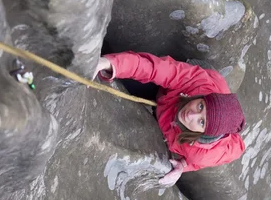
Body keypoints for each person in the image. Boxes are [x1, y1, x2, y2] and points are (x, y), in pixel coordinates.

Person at [95, 52, 246, 186]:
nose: (191, 114)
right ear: (201, 98)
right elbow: (154, 69)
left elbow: (231, 151)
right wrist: (111, 63)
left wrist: (183, 165)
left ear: (203, 134)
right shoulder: (195, 82)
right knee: (120, 74)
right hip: (183, 90)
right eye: (200, 106)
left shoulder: (202, 154)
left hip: (173, 115)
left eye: (201, 122)